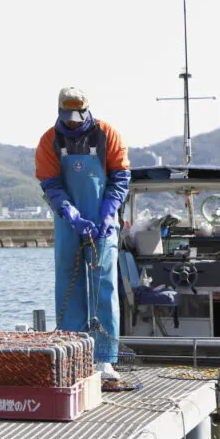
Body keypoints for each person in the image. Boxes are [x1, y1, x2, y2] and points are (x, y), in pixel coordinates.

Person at [35, 87, 131, 380]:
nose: (74, 122)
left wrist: (108, 211)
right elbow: (50, 182)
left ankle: (104, 359)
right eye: (69, 117)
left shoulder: (107, 134)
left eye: (79, 116)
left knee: (103, 285)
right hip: (68, 222)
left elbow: (120, 176)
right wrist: (69, 212)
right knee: (68, 282)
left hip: (102, 219)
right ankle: (71, 354)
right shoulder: (49, 140)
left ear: (88, 111)